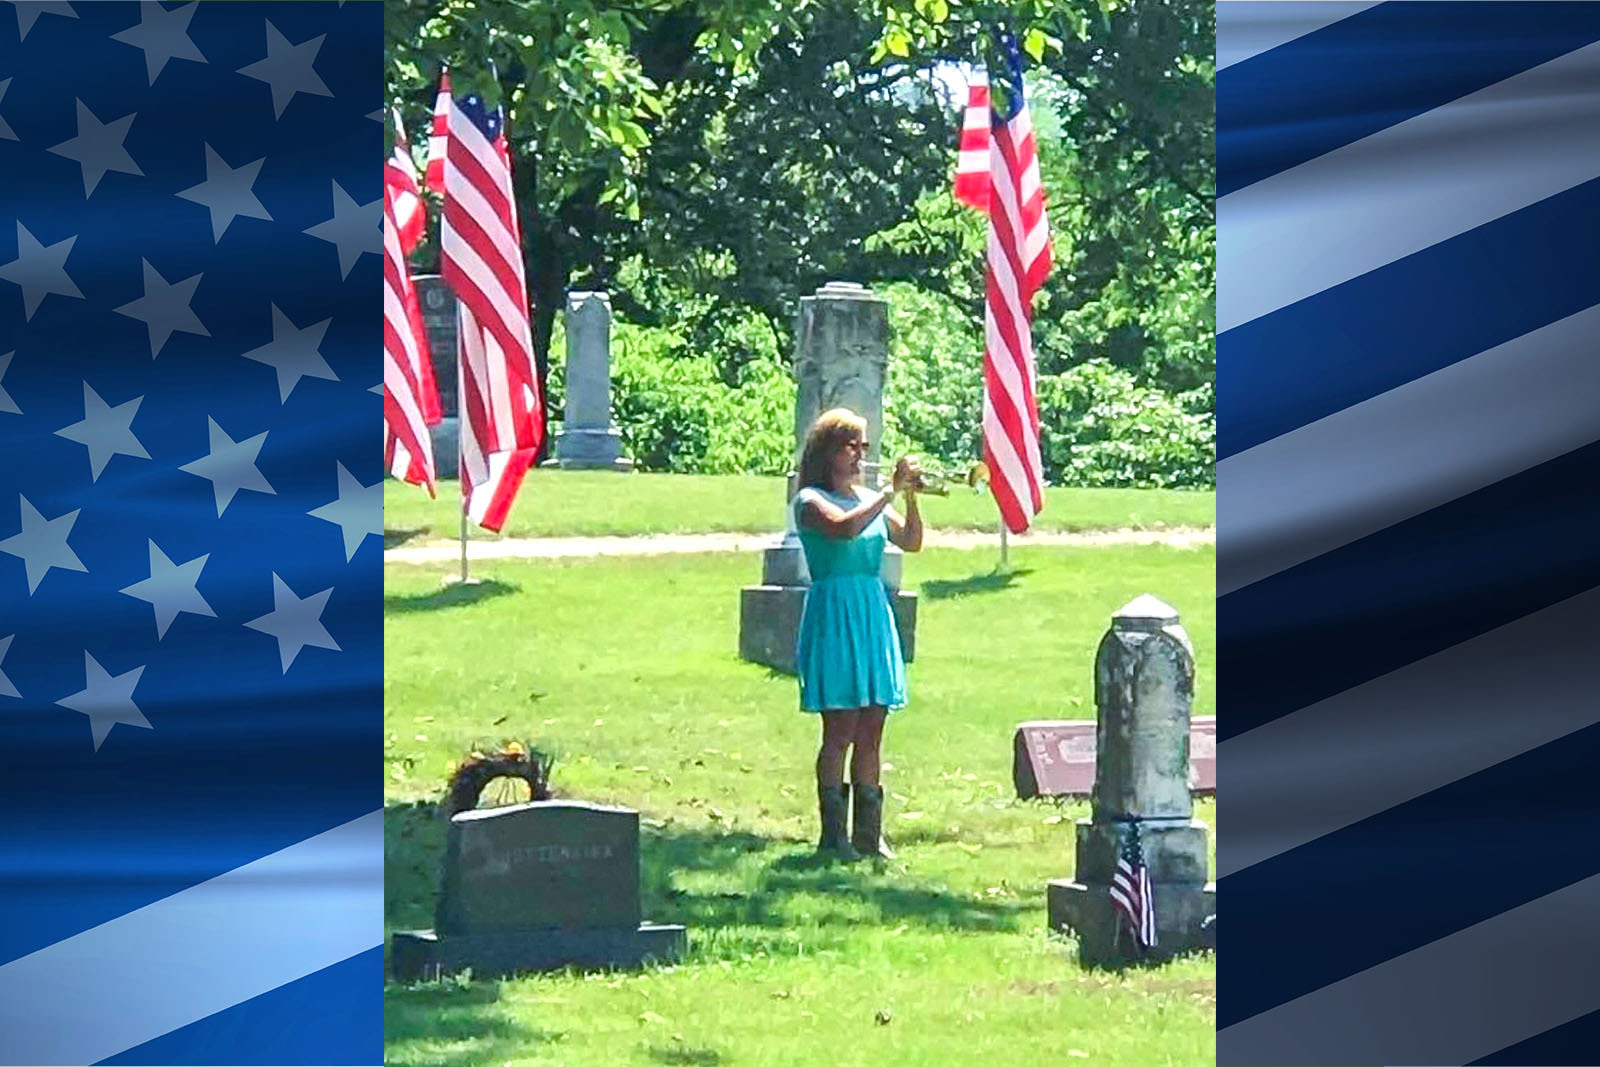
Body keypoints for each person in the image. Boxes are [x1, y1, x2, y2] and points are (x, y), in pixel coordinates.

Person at [791, 407, 923, 860]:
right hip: (835, 613)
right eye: (852, 445)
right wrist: (889, 492)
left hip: (870, 612)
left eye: (864, 446)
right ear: (829, 450)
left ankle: (870, 836)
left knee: (873, 725)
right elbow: (844, 529)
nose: (860, 455)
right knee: (840, 727)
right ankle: (834, 837)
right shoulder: (809, 500)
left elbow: (911, 541)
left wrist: (910, 497)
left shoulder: (868, 498)